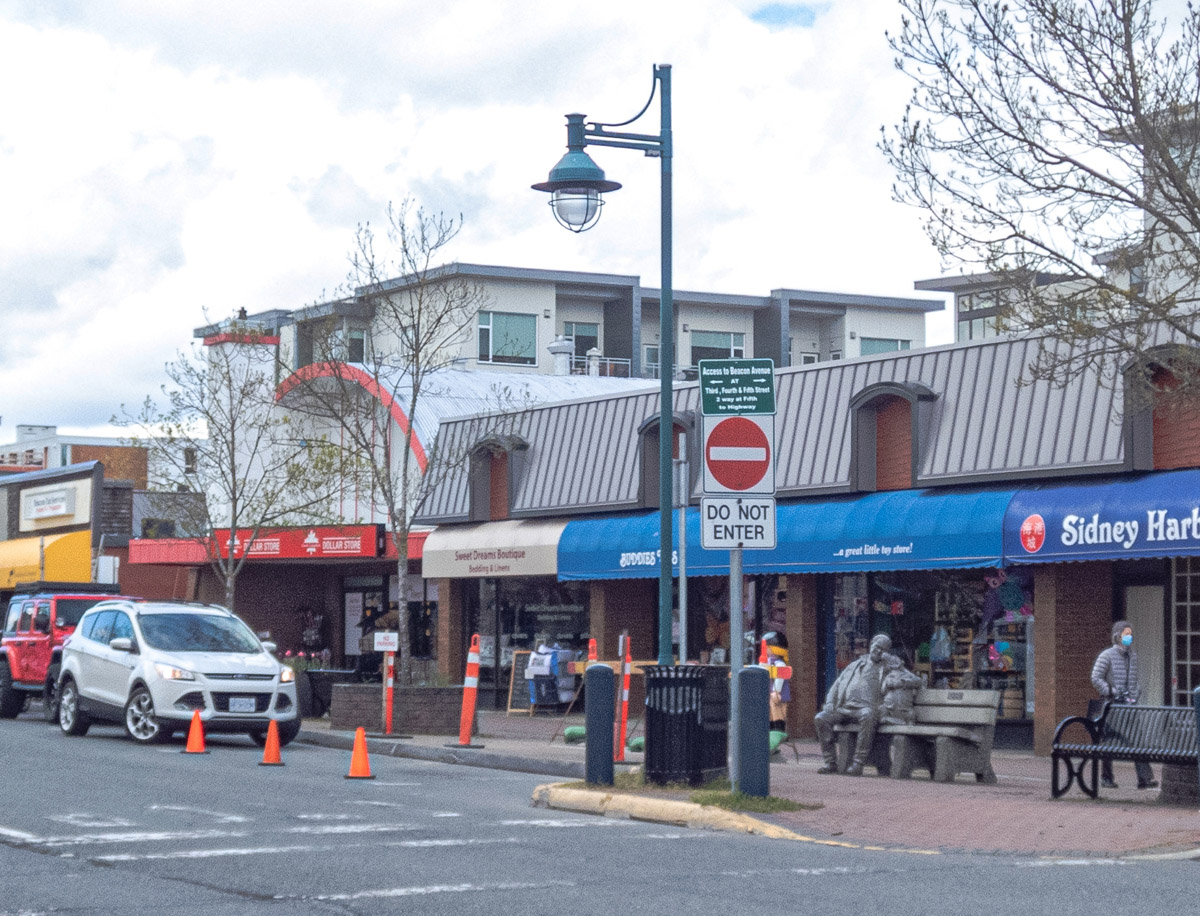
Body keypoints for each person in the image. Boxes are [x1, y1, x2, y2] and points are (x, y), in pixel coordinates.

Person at [814, 634, 902, 776]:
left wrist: (893, 661)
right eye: (877, 647)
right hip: (844, 708)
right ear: (871, 644)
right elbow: (836, 686)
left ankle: (858, 763)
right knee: (821, 718)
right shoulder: (855, 664)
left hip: (866, 709)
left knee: (868, 715)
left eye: (883, 650)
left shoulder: (887, 667)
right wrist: (830, 702)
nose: (878, 651)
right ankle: (830, 763)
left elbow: (905, 675)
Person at [1090, 620, 1159, 790]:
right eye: (1126, 633)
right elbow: (1096, 677)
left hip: (1129, 704)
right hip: (1113, 704)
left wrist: (1135, 694)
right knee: (1110, 740)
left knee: (1138, 740)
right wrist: (1111, 691)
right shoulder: (1107, 655)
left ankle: (1144, 778)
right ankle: (1106, 777)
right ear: (1117, 636)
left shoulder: (1133, 656)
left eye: (1130, 633)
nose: (1129, 636)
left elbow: (1134, 679)